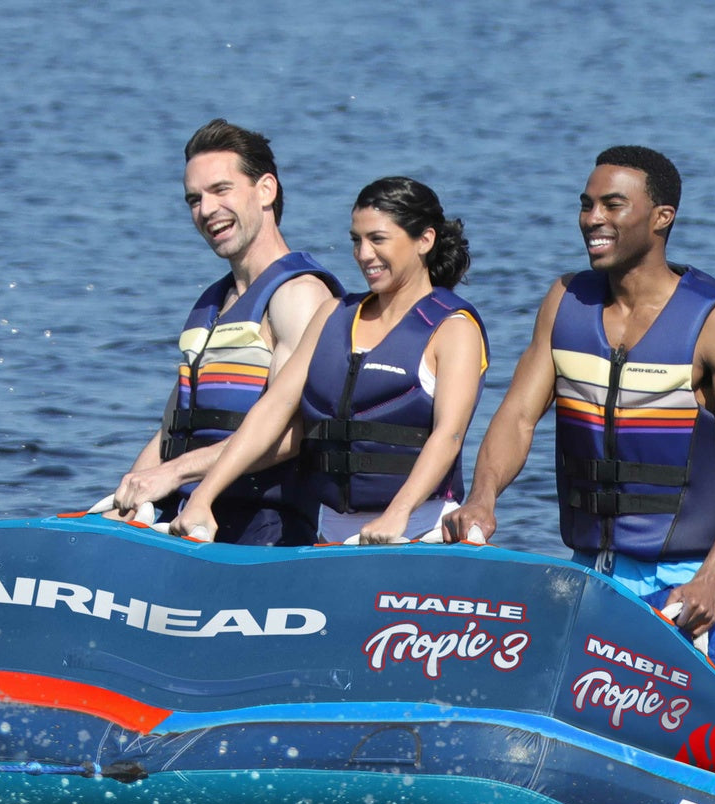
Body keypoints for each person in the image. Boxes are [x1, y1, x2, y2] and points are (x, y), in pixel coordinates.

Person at [443, 146, 715, 673]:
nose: (592, 219)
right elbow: (518, 417)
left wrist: (712, 578)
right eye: (586, 204)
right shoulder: (565, 301)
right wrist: (482, 498)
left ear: (662, 217)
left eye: (612, 205)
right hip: (588, 576)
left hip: (681, 586)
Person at [169, 177, 488, 546]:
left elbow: (449, 435)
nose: (364, 254)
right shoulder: (333, 315)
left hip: (419, 529)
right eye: (356, 240)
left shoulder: (453, 329)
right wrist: (204, 495)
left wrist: (397, 514)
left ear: (425, 240)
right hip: (332, 535)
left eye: (378, 239)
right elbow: (273, 408)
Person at [104, 118, 342, 545]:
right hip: (187, 518)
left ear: (265, 190)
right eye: (194, 199)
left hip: (266, 530)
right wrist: (125, 502)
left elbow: (294, 434)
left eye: (220, 190)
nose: (206, 210)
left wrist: (175, 473)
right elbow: (172, 430)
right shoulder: (213, 303)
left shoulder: (298, 295)